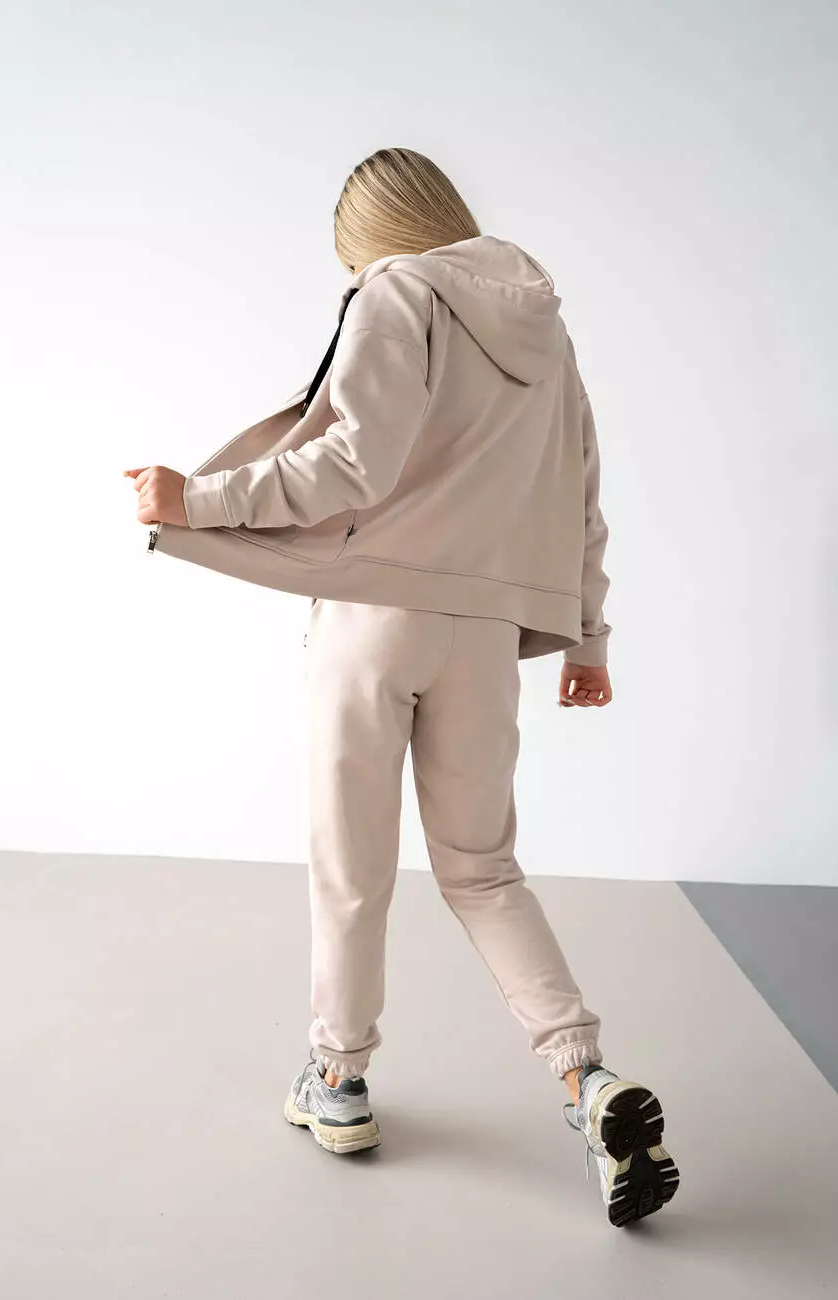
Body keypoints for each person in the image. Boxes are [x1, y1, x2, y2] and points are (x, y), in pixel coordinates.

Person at [125, 147, 680, 1226]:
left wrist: (197, 499)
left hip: (374, 617)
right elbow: (578, 491)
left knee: (354, 865)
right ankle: (587, 1077)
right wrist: (588, 640)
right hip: (483, 633)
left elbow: (351, 464)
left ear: (371, 235)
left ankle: (338, 1080)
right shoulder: (545, 327)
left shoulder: (395, 292)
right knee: (483, 869)